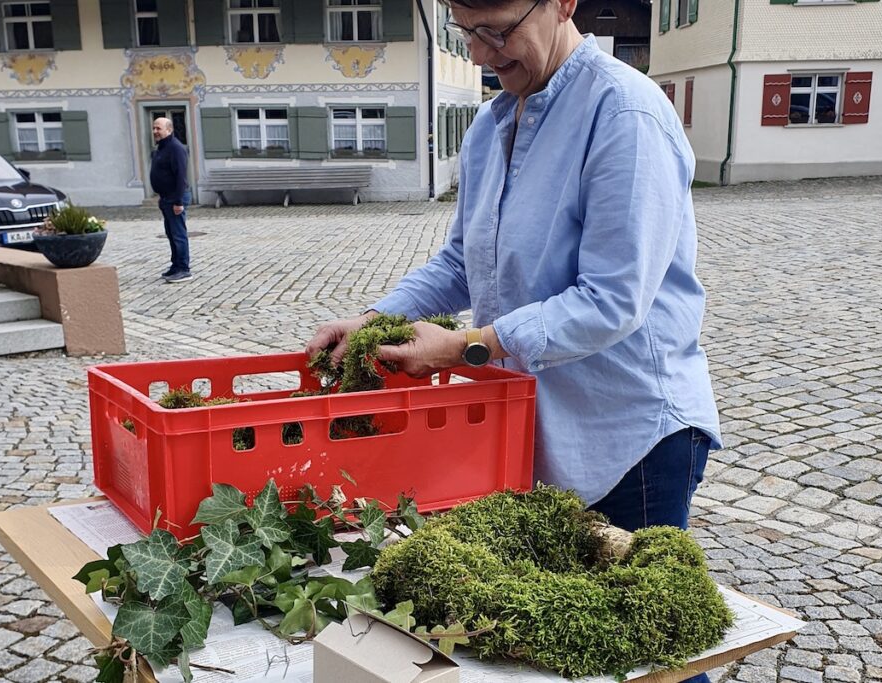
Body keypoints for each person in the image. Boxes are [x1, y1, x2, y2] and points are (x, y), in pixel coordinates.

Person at [309, 3, 721, 676]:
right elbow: (461, 261)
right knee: (568, 639)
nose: (478, 52)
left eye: (497, 29)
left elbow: (612, 298)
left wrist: (469, 346)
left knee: (651, 648)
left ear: (562, 2)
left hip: (632, 436)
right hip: (538, 430)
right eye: (464, 30)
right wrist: (375, 318)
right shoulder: (492, 123)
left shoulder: (625, 115)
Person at [150, 117, 192, 283]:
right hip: (166, 197)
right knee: (171, 233)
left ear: (169, 129)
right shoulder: (161, 148)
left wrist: (178, 202)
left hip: (175, 197)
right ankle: (175, 265)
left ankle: (183, 268)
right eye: (154, 128)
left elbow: (181, 176)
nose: (155, 132)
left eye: (158, 128)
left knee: (178, 234)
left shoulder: (175, 148)